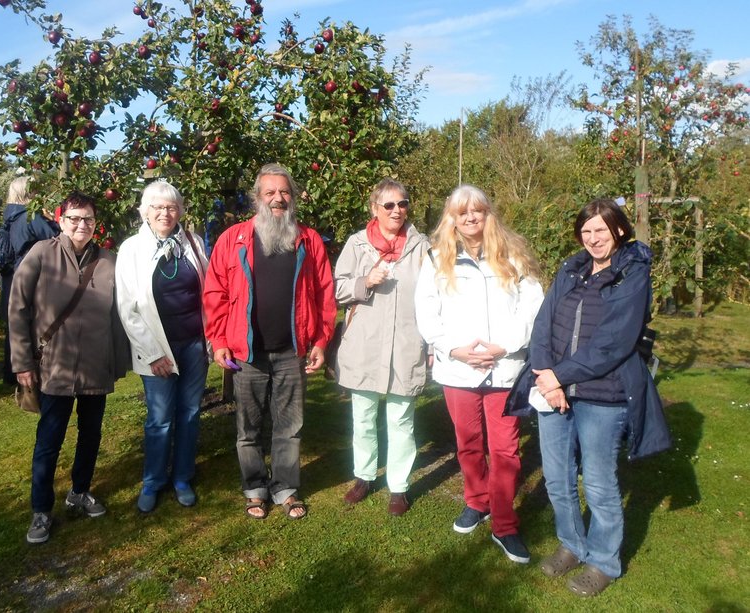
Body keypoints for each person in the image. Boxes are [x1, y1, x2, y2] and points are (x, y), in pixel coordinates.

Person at [506, 198, 671, 595]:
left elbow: (614, 342)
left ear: (619, 230)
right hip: (553, 388)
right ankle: (572, 543)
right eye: (586, 230)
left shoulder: (632, 273)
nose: (593, 238)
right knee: (558, 479)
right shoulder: (572, 268)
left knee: (598, 482)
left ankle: (603, 560)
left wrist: (559, 377)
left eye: (601, 229)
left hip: (604, 393)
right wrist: (547, 375)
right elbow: (543, 323)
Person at [415, 185, 544, 562]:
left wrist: (504, 345)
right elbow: (426, 311)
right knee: (468, 443)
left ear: (489, 214)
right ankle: (477, 500)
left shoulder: (512, 253)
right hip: (458, 369)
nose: (470, 218)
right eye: (462, 212)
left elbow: (532, 307)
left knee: (504, 449)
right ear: (451, 219)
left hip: (504, 367)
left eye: (478, 211)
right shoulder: (437, 258)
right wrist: (453, 349)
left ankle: (504, 525)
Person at [202, 163, 336, 520]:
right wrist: (218, 340)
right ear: (257, 199)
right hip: (246, 353)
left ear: (293, 198)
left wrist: (321, 341)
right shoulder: (233, 239)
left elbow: (325, 295)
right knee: (248, 429)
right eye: (270, 193)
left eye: (284, 192)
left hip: (293, 352)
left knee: (289, 426)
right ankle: (255, 488)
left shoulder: (308, 240)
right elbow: (214, 292)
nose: (278, 199)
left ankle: (286, 488)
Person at [9, 191, 129, 544]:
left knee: (91, 435)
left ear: (96, 224)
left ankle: (79, 491)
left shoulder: (109, 261)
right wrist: (21, 362)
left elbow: (125, 310)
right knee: (49, 439)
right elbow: (17, 308)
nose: (81, 225)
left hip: (95, 366)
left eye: (88, 219)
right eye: (74, 218)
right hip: (54, 366)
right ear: (61, 221)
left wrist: (119, 360)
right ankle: (41, 510)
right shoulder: (41, 255)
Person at [333, 178, 430, 516]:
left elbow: (434, 296)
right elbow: (337, 288)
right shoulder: (357, 244)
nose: (397, 210)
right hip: (365, 345)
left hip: (406, 343)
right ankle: (364, 476)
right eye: (388, 205)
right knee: (363, 416)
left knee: (402, 419)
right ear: (374, 209)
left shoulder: (422, 247)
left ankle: (399, 486)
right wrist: (365, 282)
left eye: (402, 203)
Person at [116, 180, 209, 513]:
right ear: (144, 212)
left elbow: (206, 293)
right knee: (160, 419)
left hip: (193, 344)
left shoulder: (194, 243)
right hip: (157, 350)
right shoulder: (131, 250)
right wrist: (153, 353)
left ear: (180, 211)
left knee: (189, 413)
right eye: (157, 207)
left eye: (171, 207)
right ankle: (153, 481)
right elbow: (128, 308)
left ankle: (182, 477)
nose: (165, 213)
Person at [0, 176, 60, 385]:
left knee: (15, 320)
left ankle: (10, 371)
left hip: (15, 271)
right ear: (29, 193)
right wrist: (52, 221)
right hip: (34, 272)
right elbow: (55, 239)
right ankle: (31, 368)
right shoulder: (31, 215)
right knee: (32, 319)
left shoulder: (11, 215)